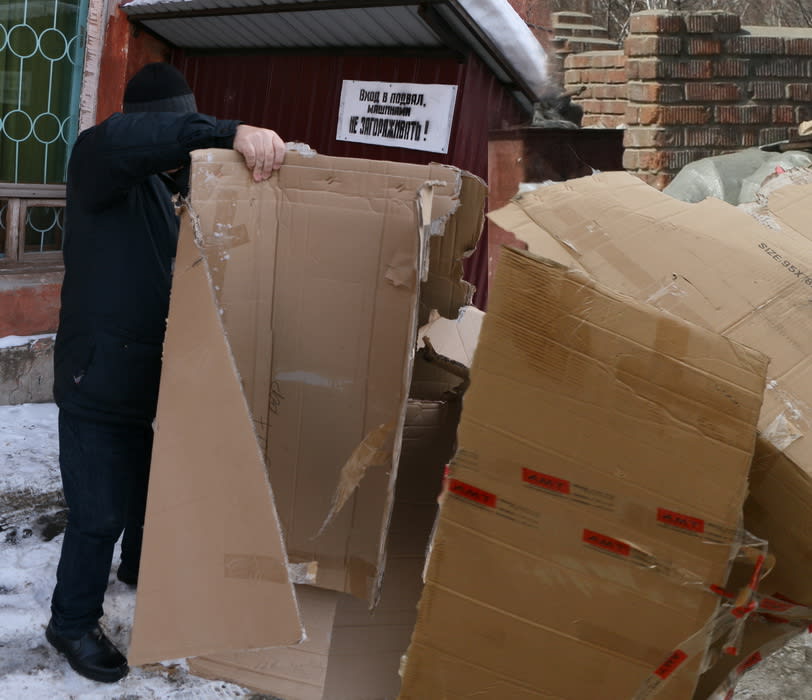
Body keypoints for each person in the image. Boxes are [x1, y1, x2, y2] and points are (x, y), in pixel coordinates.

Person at [46, 62, 285, 683]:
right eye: (179, 132)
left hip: (148, 373)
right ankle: (71, 622)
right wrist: (227, 130)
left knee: (149, 489)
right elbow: (130, 139)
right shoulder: (99, 159)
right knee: (98, 512)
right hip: (97, 376)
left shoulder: (163, 185)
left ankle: (137, 567)